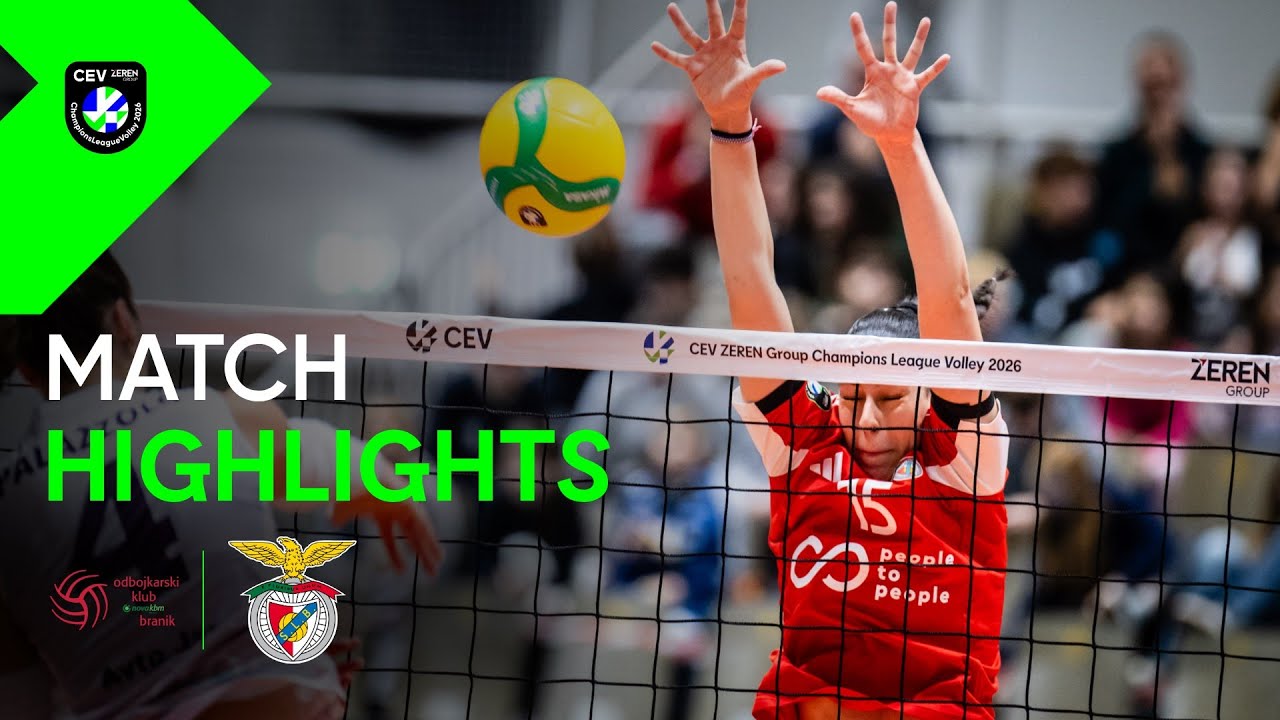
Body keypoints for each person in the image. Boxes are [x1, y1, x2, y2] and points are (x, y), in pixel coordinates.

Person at [652, 2, 1010, 719]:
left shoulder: (964, 457)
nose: (865, 418)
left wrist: (900, 146)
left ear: (931, 396)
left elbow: (948, 297)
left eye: (889, 398)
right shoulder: (804, 439)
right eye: (851, 397)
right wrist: (729, 127)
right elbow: (750, 279)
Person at [0, 251, 443, 720]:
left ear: (26, 369)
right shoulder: (224, 416)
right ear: (124, 320)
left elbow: (22, 703)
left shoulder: (8, 507)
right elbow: (322, 458)